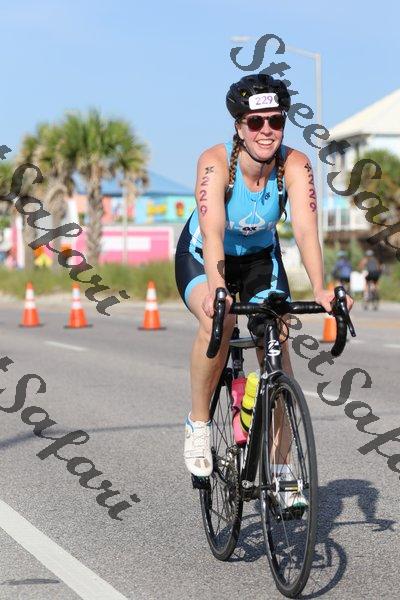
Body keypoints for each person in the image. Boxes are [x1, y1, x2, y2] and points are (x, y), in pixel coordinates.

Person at [174, 73, 353, 507]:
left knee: (277, 350)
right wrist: (218, 291)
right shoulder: (215, 162)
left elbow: (306, 231)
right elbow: (212, 232)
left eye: (276, 120)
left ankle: (282, 469)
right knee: (219, 321)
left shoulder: (295, 165)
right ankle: (198, 423)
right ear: (239, 126)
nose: (267, 130)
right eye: (256, 122)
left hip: (259, 261)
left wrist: (321, 289)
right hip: (204, 255)